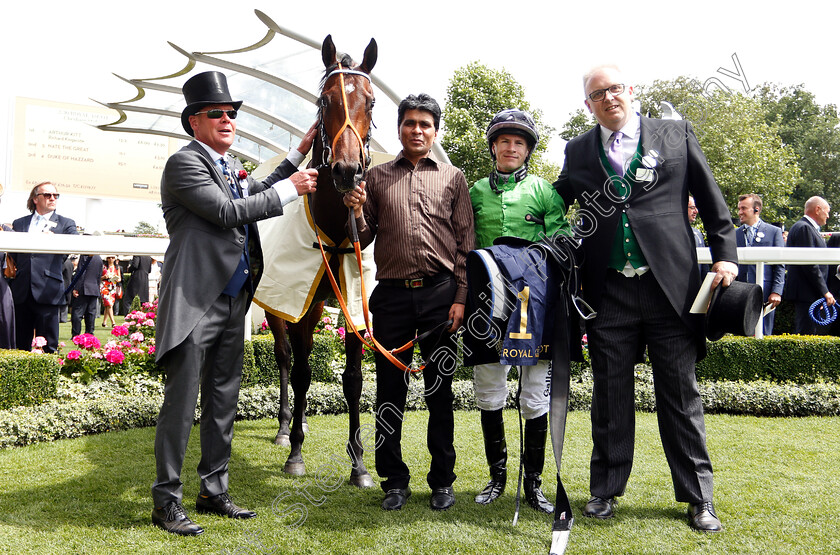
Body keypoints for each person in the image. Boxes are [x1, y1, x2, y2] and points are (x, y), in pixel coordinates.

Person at [553, 65, 738, 532]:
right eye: (598, 93)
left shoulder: (674, 135)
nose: (609, 97)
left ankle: (699, 498)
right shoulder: (577, 150)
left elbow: (712, 202)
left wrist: (726, 257)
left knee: (680, 394)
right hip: (608, 290)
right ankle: (605, 491)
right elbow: (554, 200)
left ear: (629, 91)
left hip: (669, 289)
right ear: (588, 104)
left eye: (614, 88)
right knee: (610, 396)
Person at [151, 70, 319, 536]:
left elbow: (257, 190)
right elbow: (229, 212)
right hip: (193, 302)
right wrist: (294, 189)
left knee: (223, 402)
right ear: (193, 123)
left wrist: (299, 153)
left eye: (232, 114)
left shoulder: (228, 167)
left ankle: (213, 490)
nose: (227, 120)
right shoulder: (184, 165)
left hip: (232, 303)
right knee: (181, 406)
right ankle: (166, 502)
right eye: (216, 114)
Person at [343, 93, 475, 512]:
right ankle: (393, 480)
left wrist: (459, 297)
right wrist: (357, 212)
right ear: (399, 128)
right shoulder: (376, 177)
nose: (417, 131)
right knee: (389, 393)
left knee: (440, 391)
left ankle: (442, 481)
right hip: (393, 298)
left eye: (425, 124)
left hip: (440, 297)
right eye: (409, 123)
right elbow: (361, 239)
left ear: (435, 131)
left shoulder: (454, 178)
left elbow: (465, 246)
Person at [468, 108, 570, 513]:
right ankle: (497, 478)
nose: (511, 148)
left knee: (533, 396)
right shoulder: (473, 190)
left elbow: (561, 235)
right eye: (505, 141)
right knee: (489, 389)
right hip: (487, 304)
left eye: (519, 143)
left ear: (527, 151)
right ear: (494, 146)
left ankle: (534, 484)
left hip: (533, 301)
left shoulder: (544, 191)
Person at [9, 182, 77, 353]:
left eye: (56, 195)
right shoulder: (19, 223)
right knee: (20, 346)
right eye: (48, 195)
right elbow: (15, 255)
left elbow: (72, 248)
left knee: (48, 346)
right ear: (35, 199)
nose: (53, 198)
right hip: (22, 291)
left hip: (49, 291)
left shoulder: (66, 224)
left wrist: (54, 241)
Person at [784, 196, 835, 335]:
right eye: (827, 211)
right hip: (806, 293)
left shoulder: (805, 227)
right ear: (818, 209)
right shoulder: (804, 228)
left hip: (809, 292)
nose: (828, 216)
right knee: (806, 334)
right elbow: (810, 265)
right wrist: (824, 291)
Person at [735, 193, 785, 335]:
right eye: (739, 209)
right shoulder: (735, 234)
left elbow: (779, 265)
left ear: (756, 210)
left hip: (765, 294)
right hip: (739, 294)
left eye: (743, 208)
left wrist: (776, 291)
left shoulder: (774, 232)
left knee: (764, 333)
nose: (740, 212)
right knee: (741, 333)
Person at [70, 253, 103, 337]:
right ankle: (89, 333)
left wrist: (76, 288)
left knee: (77, 313)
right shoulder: (99, 258)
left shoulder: (85, 256)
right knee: (91, 313)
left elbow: (80, 272)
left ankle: (76, 334)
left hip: (84, 288)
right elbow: (99, 275)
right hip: (94, 288)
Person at [688, 195, 709, 276]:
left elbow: (704, 265)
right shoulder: (672, 233)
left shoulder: (698, 234)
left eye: (696, 208)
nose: (696, 211)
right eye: (692, 207)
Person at [100, 256, 122, 328]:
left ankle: (104, 322)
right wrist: (104, 277)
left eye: (112, 258)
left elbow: (119, 278)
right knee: (109, 305)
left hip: (112, 287)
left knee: (108, 305)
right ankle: (113, 322)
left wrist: (115, 278)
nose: (111, 259)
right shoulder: (104, 267)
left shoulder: (117, 267)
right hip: (105, 287)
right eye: (109, 258)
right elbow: (99, 277)